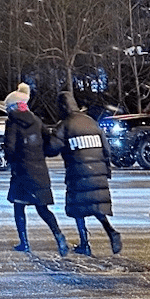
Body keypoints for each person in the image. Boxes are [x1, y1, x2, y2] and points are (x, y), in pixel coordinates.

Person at [49, 91, 122, 256]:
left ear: (62, 106)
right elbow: (106, 148)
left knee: (78, 208)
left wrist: (46, 138)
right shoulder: (91, 122)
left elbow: (52, 148)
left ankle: (84, 243)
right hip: (98, 171)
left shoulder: (65, 125)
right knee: (96, 206)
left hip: (78, 172)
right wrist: (106, 170)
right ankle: (111, 232)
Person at [4, 84, 69, 256]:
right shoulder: (37, 120)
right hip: (39, 171)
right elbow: (49, 143)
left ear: (13, 107)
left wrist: (11, 161)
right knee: (43, 209)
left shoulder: (12, 122)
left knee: (19, 207)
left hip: (21, 172)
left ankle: (24, 242)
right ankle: (59, 236)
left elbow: (10, 147)